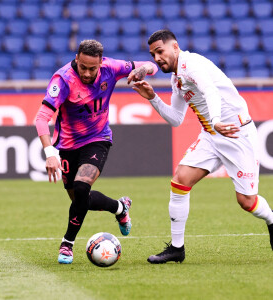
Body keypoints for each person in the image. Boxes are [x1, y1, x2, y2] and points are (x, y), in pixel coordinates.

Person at [132, 29, 273, 264]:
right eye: (153, 54)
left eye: (160, 51)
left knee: (247, 202)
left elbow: (211, 92)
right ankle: (177, 249)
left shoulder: (192, 65)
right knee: (180, 179)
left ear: (175, 47)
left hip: (236, 133)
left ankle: (271, 219)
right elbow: (176, 119)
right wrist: (153, 98)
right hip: (211, 135)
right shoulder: (176, 78)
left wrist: (217, 121)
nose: (157, 58)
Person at [35, 39, 157, 264]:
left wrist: (143, 69)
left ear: (101, 62)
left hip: (97, 139)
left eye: (92, 68)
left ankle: (67, 244)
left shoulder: (112, 67)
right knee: (80, 200)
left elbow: (152, 65)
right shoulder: (62, 80)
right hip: (67, 146)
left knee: (82, 187)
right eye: (83, 67)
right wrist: (50, 152)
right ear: (77, 59)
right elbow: (41, 118)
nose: (88, 73)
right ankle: (120, 207)